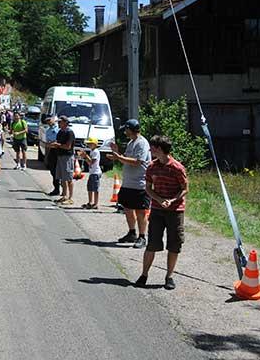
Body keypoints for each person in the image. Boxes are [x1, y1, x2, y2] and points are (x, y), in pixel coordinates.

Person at [136, 135, 188, 290]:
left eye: (152, 147)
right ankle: (144, 274)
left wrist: (172, 200)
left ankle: (169, 276)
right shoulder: (152, 167)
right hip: (157, 210)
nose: (150, 150)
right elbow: (148, 189)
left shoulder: (177, 168)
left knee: (174, 244)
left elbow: (185, 189)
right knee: (152, 243)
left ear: (159, 149)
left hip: (175, 211)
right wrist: (159, 200)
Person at [107, 119, 151, 249]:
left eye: (126, 129)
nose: (125, 132)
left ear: (130, 129)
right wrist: (117, 154)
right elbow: (127, 159)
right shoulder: (131, 142)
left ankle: (142, 236)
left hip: (139, 183)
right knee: (127, 208)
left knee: (140, 211)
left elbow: (138, 161)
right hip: (128, 183)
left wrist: (119, 157)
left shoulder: (142, 143)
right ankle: (132, 232)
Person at [49, 116, 75, 206]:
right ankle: (64, 195)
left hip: (67, 157)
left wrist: (58, 145)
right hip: (60, 156)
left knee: (69, 177)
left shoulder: (69, 132)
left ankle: (70, 198)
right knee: (62, 178)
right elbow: (57, 142)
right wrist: (52, 145)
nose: (58, 124)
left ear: (65, 122)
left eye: (60, 122)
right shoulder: (60, 132)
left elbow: (68, 146)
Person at [78, 137, 102, 209]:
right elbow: (90, 163)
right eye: (88, 144)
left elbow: (92, 162)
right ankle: (90, 202)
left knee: (95, 188)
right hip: (92, 172)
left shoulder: (95, 152)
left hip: (95, 172)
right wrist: (84, 157)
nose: (88, 145)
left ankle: (95, 203)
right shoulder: (92, 151)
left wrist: (86, 156)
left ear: (94, 144)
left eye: (90, 144)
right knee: (90, 188)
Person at [43, 116, 61, 196]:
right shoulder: (48, 131)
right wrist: (46, 156)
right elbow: (47, 144)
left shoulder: (59, 129)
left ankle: (63, 189)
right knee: (52, 170)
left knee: (60, 171)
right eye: (47, 121)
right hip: (52, 151)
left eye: (50, 120)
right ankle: (56, 188)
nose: (49, 122)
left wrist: (54, 143)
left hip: (59, 151)